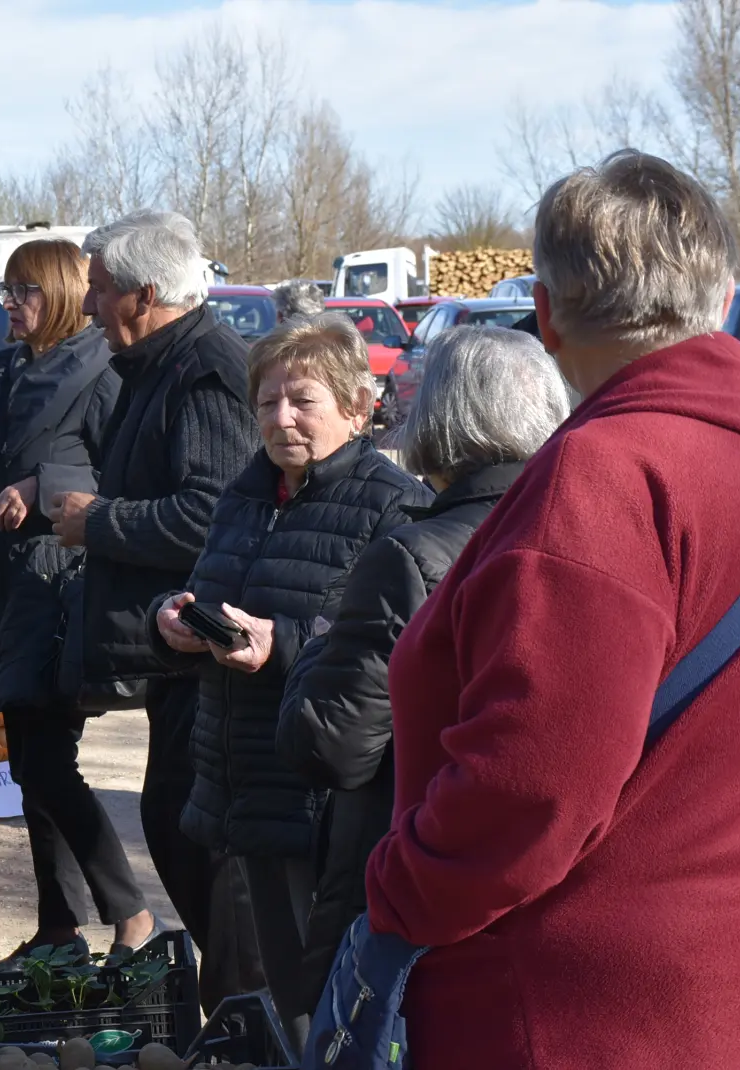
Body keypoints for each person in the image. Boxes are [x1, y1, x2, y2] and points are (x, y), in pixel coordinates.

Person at [364, 152, 740, 1069]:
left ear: (544, 314)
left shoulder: (607, 477)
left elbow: (531, 779)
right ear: (723, 295)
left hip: (572, 1008)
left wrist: (397, 888)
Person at [151, 312, 430, 1048]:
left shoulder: (389, 502)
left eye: (302, 400)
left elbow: (388, 646)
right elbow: (206, 585)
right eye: (267, 401)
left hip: (317, 796)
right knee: (269, 990)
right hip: (239, 777)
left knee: (324, 998)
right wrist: (174, 620)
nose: (280, 419)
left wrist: (281, 648)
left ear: (356, 407)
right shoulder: (246, 494)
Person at [273, 325, 570, 1011]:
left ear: (437, 422)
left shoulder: (409, 556)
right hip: (536, 880)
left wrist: (318, 640)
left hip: (406, 877)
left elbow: (332, 745)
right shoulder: (575, 535)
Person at [42, 210, 265, 1007]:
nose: (91, 305)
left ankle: (248, 1013)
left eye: (99, 290)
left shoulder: (205, 371)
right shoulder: (152, 366)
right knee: (173, 821)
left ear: (142, 295)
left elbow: (210, 511)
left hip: (208, 647)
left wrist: (98, 522)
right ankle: (238, 1009)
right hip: (173, 644)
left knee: (187, 828)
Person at [0, 239, 154, 959]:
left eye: (24, 292)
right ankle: (59, 925)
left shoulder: (103, 370)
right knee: (28, 759)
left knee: (48, 758)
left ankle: (130, 916)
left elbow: (121, 474)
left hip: (67, 582)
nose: (11, 306)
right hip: (10, 586)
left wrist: (41, 487)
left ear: (59, 293)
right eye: (7, 292)